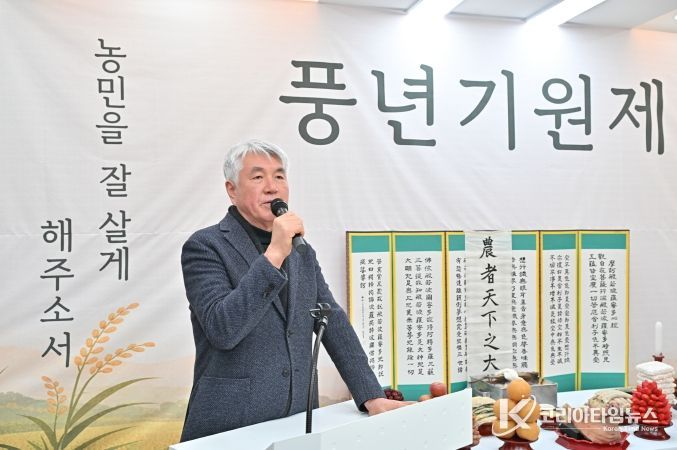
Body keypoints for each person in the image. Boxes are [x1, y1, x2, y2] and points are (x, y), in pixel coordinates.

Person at [180, 139, 408, 442]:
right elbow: (223, 329)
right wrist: (274, 254)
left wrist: (371, 395)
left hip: (299, 419)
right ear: (232, 190)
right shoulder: (205, 246)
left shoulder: (301, 251)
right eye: (258, 177)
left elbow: (332, 321)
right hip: (230, 424)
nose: (272, 187)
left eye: (279, 176)